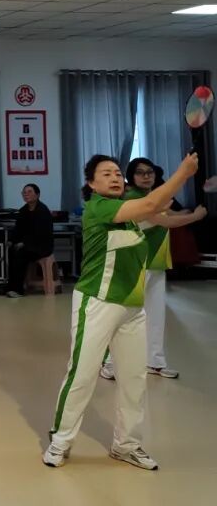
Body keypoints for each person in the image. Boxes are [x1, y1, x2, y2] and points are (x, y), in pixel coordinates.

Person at [43, 153, 197, 471]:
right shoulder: (98, 208)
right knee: (82, 374)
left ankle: (126, 444)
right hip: (97, 302)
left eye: (117, 173)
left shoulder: (128, 212)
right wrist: (183, 173)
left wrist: (182, 200)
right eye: (106, 173)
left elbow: (156, 208)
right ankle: (60, 441)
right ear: (91, 183)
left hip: (132, 308)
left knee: (133, 379)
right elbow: (152, 204)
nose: (115, 177)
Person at [100, 158, 207, 380]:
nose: (146, 176)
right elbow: (164, 221)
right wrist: (195, 216)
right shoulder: (133, 198)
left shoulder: (153, 197)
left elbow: (170, 215)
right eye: (140, 172)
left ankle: (154, 361)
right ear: (131, 177)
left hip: (155, 264)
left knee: (156, 316)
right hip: (135, 264)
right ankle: (109, 362)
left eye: (150, 172)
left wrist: (186, 211)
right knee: (125, 315)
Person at [6, 183, 54, 298]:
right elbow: (18, 230)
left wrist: (24, 243)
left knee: (21, 254)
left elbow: (41, 234)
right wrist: (11, 241)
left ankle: (18, 290)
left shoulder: (43, 211)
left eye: (29, 192)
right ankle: (9, 287)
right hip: (27, 244)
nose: (26, 194)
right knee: (10, 251)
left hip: (41, 246)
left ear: (37, 195)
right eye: (24, 193)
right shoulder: (23, 210)